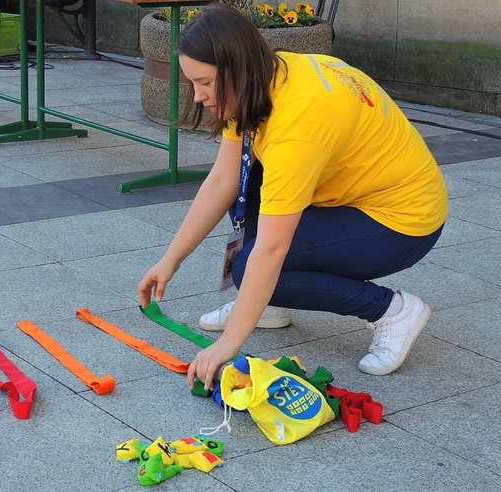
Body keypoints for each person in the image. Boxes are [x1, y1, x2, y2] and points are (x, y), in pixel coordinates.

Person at [137, 2, 448, 390]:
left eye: (204, 83)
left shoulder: (296, 125)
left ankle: (392, 310)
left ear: (237, 67)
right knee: (253, 180)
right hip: (357, 197)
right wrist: (171, 259)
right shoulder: (265, 77)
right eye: (193, 84)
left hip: (402, 223)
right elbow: (224, 180)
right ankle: (268, 304)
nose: (198, 96)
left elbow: (272, 249)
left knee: (252, 266)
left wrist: (228, 344)